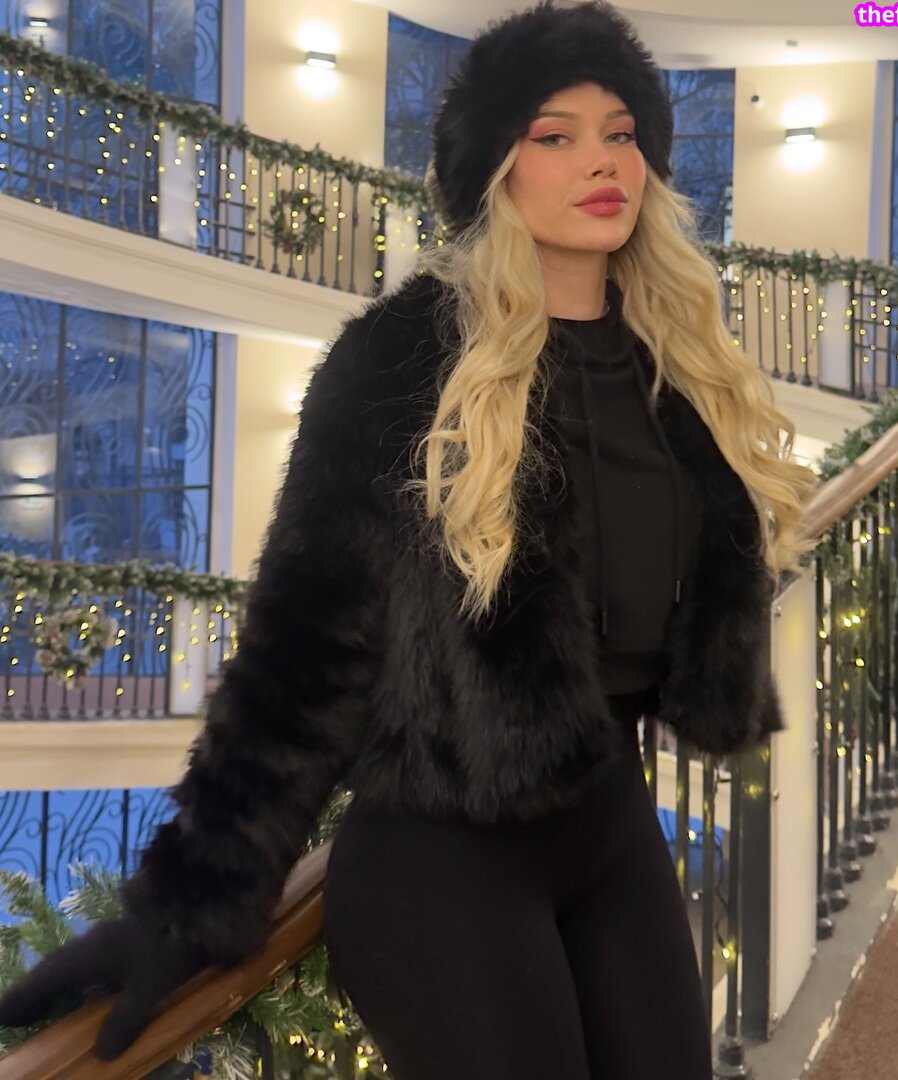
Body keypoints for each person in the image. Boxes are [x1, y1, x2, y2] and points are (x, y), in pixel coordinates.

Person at [0, 1, 817, 1076]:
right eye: (554, 135)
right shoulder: (398, 362)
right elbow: (303, 650)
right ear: (494, 170)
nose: (601, 161)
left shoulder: (679, 371)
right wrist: (189, 905)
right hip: (442, 861)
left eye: (620, 132)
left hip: (612, 828)